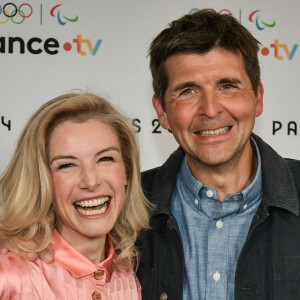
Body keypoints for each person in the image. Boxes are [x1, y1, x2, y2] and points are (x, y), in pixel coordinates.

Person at [135, 8, 300, 300]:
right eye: (188, 91)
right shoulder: (126, 207)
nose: (210, 109)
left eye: (227, 86)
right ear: (161, 110)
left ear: (257, 97)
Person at [0, 93, 152, 299]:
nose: (90, 182)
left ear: (127, 171)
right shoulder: (9, 277)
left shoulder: (127, 273)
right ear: (41, 180)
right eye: (67, 165)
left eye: (105, 158)